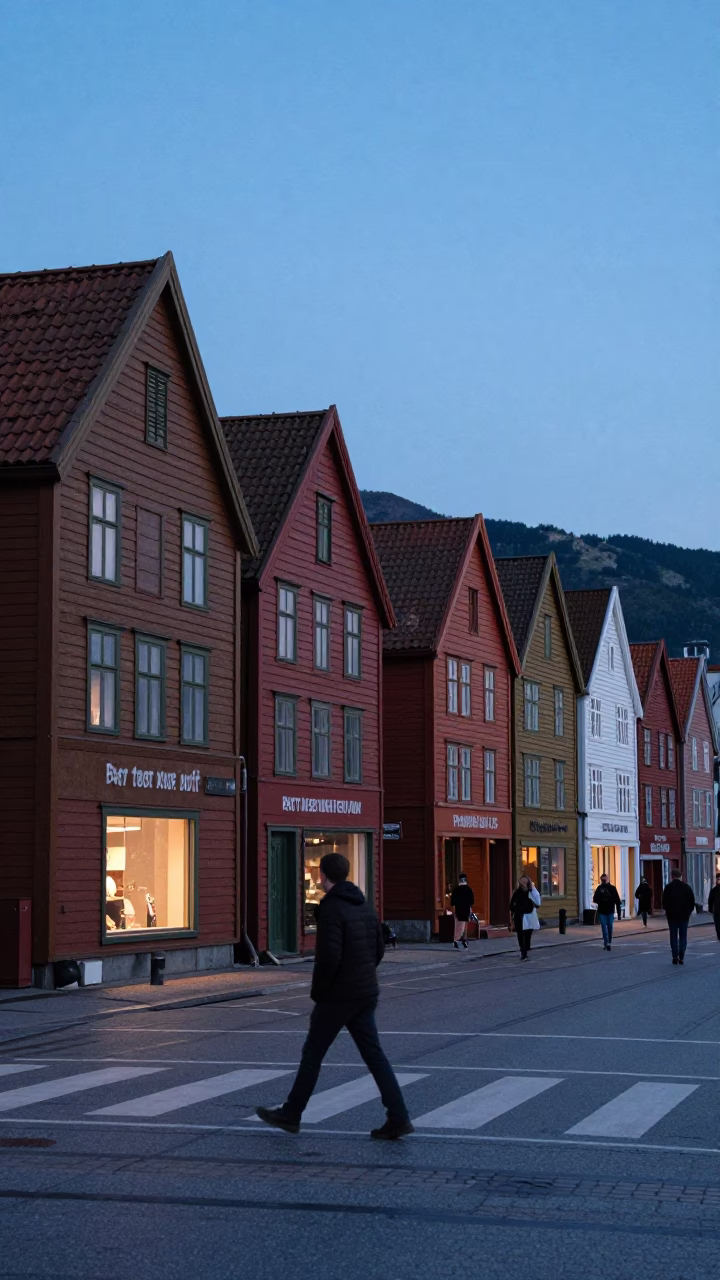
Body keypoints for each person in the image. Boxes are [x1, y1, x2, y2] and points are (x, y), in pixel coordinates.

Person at [256, 851, 413, 1140]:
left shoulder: (330, 908)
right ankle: (399, 1116)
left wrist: (319, 992)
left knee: (313, 1053)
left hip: (338, 995)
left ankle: (291, 1114)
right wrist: (363, 972)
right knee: (375, 1057)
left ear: (323, 876)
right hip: (365, 992)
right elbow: (378, 949)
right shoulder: (364, 905)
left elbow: (328, 957)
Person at [662, 867, 696, 965]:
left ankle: (675, 955)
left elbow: (664, 903)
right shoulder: (686, 887)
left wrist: (668, 911)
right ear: (680, 876)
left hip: (672, 917)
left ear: (672, 876)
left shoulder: (668, 888)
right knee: (683, 936)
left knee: (673, 936)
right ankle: (682, 955)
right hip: (684, 917)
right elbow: (691, 902)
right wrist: (688, 912)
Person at [509, 874, 541, 960]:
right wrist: (514, 910)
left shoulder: (531, 891)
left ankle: (526, 947)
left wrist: (532, 891)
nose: (523, 883)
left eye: (525, 881)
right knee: (520, 934)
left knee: (527, 934)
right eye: (522, 881)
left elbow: (538, 902)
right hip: (519, 916)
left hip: (529, 915)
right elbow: (511, 904)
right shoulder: (517, 892)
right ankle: (523, 952)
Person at [593, 873, 622, 951]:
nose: (603, 881)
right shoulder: (599, 888)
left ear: (607, 879)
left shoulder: (612, 888)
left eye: (604, 879)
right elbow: (595, 899)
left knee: (609, 927)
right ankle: (606, 942)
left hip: (610, 911)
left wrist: (619, 914)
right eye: (602, 879)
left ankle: (609, 942)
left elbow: (617, 901)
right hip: (602, 911)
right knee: (604, 927)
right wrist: (601, 900)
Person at [450, 873, 474, 950]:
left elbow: (452, 901)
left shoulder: (456, 890)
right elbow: (472, 901)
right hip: (466, 909)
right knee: (464, 925)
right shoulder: (468, 889)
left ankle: (456, 939)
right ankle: (463, 939)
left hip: (458, 909)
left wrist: (453, 909)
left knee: (457, 925)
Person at [708, 872, 720, 942]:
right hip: (717, 910)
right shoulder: (714, 890)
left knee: (718, 923)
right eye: (718, 879)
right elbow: (710, 900)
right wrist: (710, 909)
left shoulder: (714, 890)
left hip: (717, 910)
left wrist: (710, 909)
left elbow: (710, 900)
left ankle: (719, 935)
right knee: (717, 923)